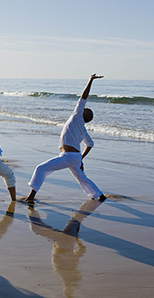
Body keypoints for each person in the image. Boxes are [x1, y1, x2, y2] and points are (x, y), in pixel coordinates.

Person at [25, 74, 107, 204]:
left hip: (68, 156)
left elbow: (83, 97)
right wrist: (81, 158)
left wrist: (90, 80)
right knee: (82, 178)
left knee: (41, 168)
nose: (83, 108)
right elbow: (90, 144)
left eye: (85, 109)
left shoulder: (77, 116)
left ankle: (30, 197)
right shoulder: (82, 129)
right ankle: (100, 195)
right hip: (74, 157)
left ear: (83, 114)